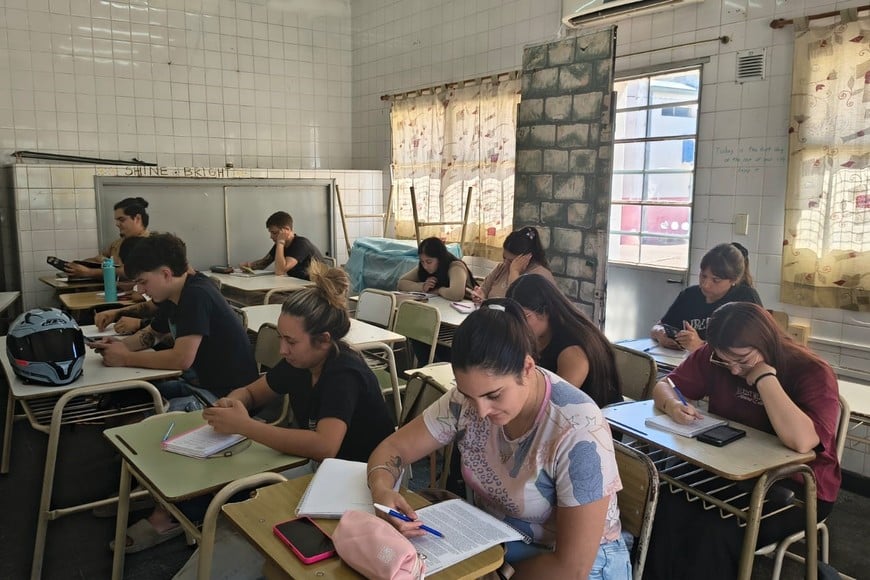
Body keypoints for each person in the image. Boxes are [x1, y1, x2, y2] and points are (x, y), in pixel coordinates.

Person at [366, 299, 630, 579]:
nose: (480, 411)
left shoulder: (577, 428)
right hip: (499, 540)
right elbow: (393, 448)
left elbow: (572, 568)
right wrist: (382, 490)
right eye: (468, 395)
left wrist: (493, 574)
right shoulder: (466, 402)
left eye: (494, 395)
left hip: (573, 565)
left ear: (527, 368)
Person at [160, 262, 396, 568]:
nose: (282, 350)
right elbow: (253, 392)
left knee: (250, 518)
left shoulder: (343, 373)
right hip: (323, 468)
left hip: (362, 480)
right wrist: (234, 402)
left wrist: (245, 426)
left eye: (291, 341)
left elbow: (324, 445)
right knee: (237, 504)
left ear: (324, 340)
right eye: (281, 338)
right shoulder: (301, 361)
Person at [644, 302, 840, 580]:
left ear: (765, 342)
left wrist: (764, 376)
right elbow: (666, 386)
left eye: (742, 360)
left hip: (797, 486)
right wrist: (673, 405)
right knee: (664, 505)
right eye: (725, 360)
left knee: (714, 531)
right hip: (731, 468)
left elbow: (802, 442)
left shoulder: (810, 370)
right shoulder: (716, 355)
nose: (734, 370)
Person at [90, 233, 258, 409]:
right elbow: (153, 334)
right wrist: (119, 346)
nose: (140, 290)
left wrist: (125, 358)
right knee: (125, 399)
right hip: (200, 384)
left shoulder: (196, 295)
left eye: (143, 282)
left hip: (227, 397)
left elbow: (181, 359)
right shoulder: (173, 294)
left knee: (138, 416)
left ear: (166, 274)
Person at [506, 274, 622, 407]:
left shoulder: (573, 350)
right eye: (513, 317)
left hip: (590, 416)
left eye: (524, 316)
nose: (517, 324)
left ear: (546, 311)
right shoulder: (535, 337)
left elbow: (556, 404)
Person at [651, 242, 762, 352]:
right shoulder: (689, 295)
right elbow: (659, 326)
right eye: (703, 276)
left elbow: (755, 348)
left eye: (716, 280)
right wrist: (660, 333)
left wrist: (701, 346)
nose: (705, 285)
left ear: (734, 280)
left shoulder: (745, 298)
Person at [65, 197, 150, 280]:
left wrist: (90, 272)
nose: (117, 224)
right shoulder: (117, 243)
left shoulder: (150, 245)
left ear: (137, 219)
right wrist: (77, 266)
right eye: (116, 220)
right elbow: (100, 259)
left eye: (122, 220)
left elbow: (131, 272)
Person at [471, 226, 554, 303]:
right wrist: (480, 295)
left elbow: (518, 304)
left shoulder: (539, 276)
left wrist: (514, 272)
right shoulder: (501, 268)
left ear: (528, 257)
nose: (505, 263)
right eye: (504, 257)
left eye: (511, 261)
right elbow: (484, 290)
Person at [240, 211, 324, 280]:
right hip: (298, 284)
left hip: (314, 288)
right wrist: (249, 266)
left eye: (274, 233)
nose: (271, 236)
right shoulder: (281, 244)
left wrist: (280, 242)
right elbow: (264, 263)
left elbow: (280, 271)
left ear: (286, 230)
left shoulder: (301, 244)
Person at [397, 236, 475, 301]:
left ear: (440, 258)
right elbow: (401, 283)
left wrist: (438, 290)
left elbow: (456, 294)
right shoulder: (425, 266)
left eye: (429, 262)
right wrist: (423, 286)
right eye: (422, 261)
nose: (425, 266)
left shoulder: (455, 266)